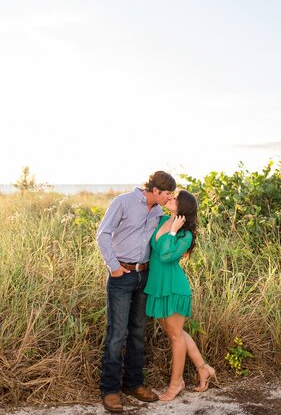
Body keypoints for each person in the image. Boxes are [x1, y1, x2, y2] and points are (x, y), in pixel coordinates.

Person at [97, 171, 177, 414]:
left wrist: (174, 210)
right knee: (117, 334)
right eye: (168, 194)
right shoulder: (122, 202)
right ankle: (110, 390)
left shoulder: (159, 212)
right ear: (155, 190)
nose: (169, 198)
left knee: (138, 332)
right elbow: (103, 235)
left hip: (145, 276)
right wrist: (114, 267)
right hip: (122, 275)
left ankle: (133, 384)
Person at [144, 190, 218, 401]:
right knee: (175, 332)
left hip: (174, 287)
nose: (171, 199)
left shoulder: (185, 234)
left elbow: (167, 256)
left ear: (183, 206)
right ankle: (203, 368)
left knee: (175, 335)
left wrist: (174, 232)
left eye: (175, 198)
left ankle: (176, 384)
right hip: (157, 285)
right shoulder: (163, 220)